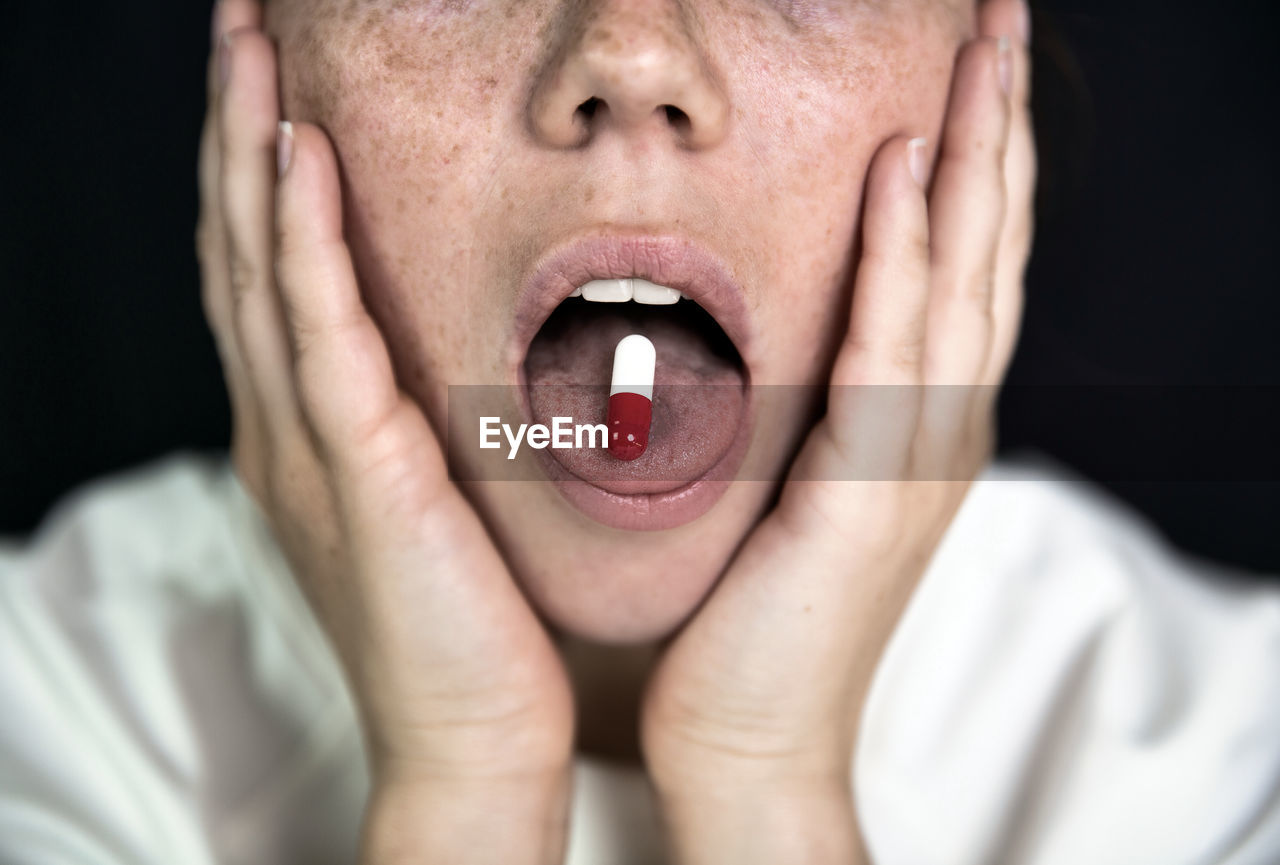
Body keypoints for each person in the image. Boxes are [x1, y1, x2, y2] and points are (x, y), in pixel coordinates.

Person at [2, 0, 1278, 862]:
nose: (628, 56)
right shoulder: (40, 714)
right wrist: (462, 783)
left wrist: (765, 787)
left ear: (979, 78)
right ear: (261, 54)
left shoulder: (1231, 761)